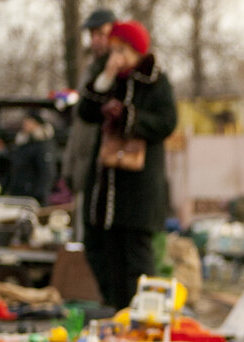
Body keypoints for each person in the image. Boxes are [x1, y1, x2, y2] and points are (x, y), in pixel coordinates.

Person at [78, 20, 177, 309]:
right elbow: (85, 111)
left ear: (136, 51)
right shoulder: (108, 76)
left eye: (122, 50)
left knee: (136, 255)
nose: (116, 56)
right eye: (113, 50)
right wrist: (107, 77)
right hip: (105, 184)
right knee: (102, 250)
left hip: (138, 186)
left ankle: (142, 314)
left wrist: (129, 117)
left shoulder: (156, 80)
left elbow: (167, 122)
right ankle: (114, 308)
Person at [62, 7, 117, 242]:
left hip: (103, 169)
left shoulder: (118, 71)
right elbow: (80, 125)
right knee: (83, 240)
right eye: (93, 35)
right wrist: (70, 165)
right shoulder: (90, 70)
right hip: (84, 167)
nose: (96, 41)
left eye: (101, 34)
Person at [4, 111, 55, 203]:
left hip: (32, 195)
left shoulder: (43, 144)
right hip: (17, 192)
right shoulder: (22, 143)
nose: (25, 125)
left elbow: (47, 172)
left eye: (28, 122)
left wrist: (40, 195)